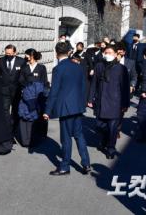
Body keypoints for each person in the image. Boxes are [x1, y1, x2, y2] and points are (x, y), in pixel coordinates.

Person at [43, 42, 91, 176]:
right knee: (79, 135)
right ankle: (86, 163)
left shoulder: (58, 68)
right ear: (69, 52)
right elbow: (83, 87)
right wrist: (82, 103)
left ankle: (64, 166)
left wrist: (47, 111)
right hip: (78, 106)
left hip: (65, 107)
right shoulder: (78, 66)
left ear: (56, 53)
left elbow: (54, 91)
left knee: (66, 139)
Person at [88, 45, 130, 159]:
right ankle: (105, 140)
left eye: (110, 52)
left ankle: (111, 148)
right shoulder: (99, 66)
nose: (108, 54)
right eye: (106, 52)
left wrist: (126, 103)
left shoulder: (121, 68)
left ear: (116, 54)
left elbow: (125, 87)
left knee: (113, 127)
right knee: (100, 125)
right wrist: (90, 99)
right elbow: (94, 83)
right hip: (101, 101)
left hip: (116, 102)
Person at [17, 49, 49, 148]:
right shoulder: (24, 68)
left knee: (38, 116)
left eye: (27, 55)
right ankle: (26, 140)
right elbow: (21, 80)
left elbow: (45, 81)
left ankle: (38, 137)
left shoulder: (41, 68)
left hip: (38, 96)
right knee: (25, 115)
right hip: (26, 95)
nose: (25, 57)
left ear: (32, 56)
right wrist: (27, 88)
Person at [0, 44, 26, 132]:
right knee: (5, 109)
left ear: (15, 52)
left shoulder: (21, 61)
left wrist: (21, 87)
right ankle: (6, 127)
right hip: (4, 89)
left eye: (10, 54)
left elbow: (23, 75)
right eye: (6, 53)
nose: (8, 55)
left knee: (15, 109)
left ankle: (14, 128)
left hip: (16, 90)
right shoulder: (0, 60)